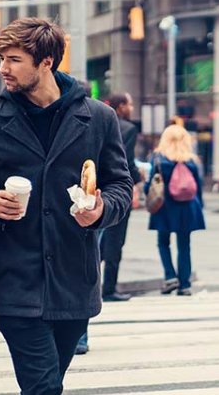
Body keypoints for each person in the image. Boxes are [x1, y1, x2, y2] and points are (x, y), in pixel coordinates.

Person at [0, 18, 133, 394]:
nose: (3, 68)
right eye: (1, 57)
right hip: (17, 282)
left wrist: (101, 211)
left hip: (74, 282)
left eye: (14, 59)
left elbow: (121, 186)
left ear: (47, 62)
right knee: (43, 388)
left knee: (47, 385)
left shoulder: (98, 117)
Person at [145, 124, 205, 296]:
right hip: (187, 207)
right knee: (184, 245)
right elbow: (198, 187)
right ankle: (184, 284)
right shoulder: (192, 160)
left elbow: (150, 184)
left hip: (165, 206)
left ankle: (170, 276)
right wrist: (199, 205)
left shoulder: (158, 158)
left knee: (163, 242)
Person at [100, 92, 142, 302]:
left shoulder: (98, 122)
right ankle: (108, 289)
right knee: (115, 241)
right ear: (121, 106)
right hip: (116, 190)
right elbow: (125, 161)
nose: (132, 108)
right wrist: (137, 181)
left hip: (97, 189)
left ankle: (86, 284)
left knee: (98, 241)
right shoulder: (127, 128)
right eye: (130, 104)